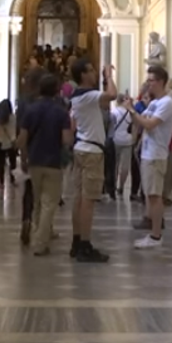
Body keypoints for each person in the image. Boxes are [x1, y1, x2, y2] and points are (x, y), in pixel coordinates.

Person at [17, 73, 74, 255]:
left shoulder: (30, 110)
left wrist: (24, 158)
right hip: (53, 161)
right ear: (57, 91)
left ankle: (43, 231)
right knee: (50, 202)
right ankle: (40, 242)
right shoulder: (61, 112)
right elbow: (66, 140)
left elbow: (22, 139)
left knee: (37, 200)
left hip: (35, 160)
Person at [67, 59, 117, 262]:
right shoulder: (88, 95)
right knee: (88, 200)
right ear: (82, 75)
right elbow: (112, 95)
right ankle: (85, 246)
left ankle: (77, 241)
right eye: (91, 69)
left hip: (81, 148)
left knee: (79, 198)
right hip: (92, 153)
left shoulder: (78, 97)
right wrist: (108, 76)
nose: (95, 72)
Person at [125, 65, 172, 249]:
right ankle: (152, 229)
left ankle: (156, 236)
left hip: (156, 154)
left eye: (151, 80)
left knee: (155, 196)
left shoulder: (167, 103)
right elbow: (139, 121)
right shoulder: (155, 103)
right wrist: (132, 109)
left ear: (161, 82)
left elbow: (149, 124)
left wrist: (132, 111)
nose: (148, 84)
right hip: (148, 153)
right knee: (150, 195)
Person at [16, 67, 48, 245]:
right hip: (47, 152)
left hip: (30, 149)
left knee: (28, 190)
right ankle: (43, 227)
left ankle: (26, 219)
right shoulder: (50, 102)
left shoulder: (23, 103)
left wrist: (23, 154)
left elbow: (21, 131)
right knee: (46, 193)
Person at [109, 95, 136, 198]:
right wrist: (133, 139)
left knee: (114, 165)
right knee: (125, 166)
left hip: (115, 140)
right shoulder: (130, 113)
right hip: (127, 141)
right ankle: (121, 187)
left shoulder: (114, 113)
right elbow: (134, 126)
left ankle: (114, 185)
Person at [0, 99, 18, 189]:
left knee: (1, 163)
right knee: (12, 163)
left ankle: (1, 182)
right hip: (11, 142)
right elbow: (13, 130)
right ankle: (12, 180)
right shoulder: (13, 117)